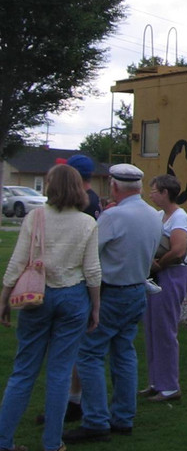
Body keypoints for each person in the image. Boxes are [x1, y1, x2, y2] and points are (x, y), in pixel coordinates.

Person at [0, 164, 101, 451]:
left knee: (23, 371)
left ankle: (4, 441)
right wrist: (96, 306)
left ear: (51, 187)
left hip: (36, 297)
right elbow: (92, 271)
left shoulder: (36, 217)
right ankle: (52, 443)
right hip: (73, 297)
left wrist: (4, 297)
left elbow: (18, 262)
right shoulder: (87, 223)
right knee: (60, 373)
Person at [63, 164, 161, 445]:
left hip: (111, 292)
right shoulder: (153, 215)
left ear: (115, 186)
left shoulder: (113, 216)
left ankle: (95, 420)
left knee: (90, 354)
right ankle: (123, 417)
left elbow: (90, 253)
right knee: (124, 353)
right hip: (136, 290)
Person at [141, 175, 187, 403]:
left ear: (165, 193)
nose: (150, 194)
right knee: (152, 328)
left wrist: (159, 264)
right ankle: (156, 382)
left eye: (154, 190)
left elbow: (179, 249)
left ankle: (170, 386)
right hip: (158, 275)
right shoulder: (160, 216)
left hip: (171, 275)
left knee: (165, 330)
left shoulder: (179, 217)